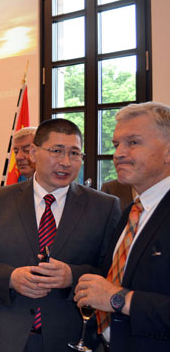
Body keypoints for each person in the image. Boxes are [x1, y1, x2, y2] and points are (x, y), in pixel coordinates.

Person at [0, 118, 121, 352]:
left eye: (75, 153)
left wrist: (72, 276)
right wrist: (11, 278)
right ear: (34, 153)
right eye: (57, 151)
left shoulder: (104, 207)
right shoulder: (0, 199)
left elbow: (112, 273)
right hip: (5, 335)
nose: (66, 162)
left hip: (69, 336)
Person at [75, 102, 170, 352]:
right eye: (117, 144)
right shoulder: (132, 210)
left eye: (134, 142)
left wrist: (119, 300)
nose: (118, 153)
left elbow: (114, 294)